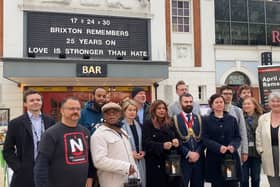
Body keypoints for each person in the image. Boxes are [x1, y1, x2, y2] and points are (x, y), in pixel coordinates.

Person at [34, 97, 92, 187]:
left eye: (78, 109)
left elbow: (89, 159)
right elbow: (41, 166)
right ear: (62, 111)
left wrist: (89, 178)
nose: (75, 111)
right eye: (71, 109)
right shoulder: (51, 134)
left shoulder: (85, 132)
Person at [3, 89, 55, 187]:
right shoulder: (16, 123)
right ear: (25, 104)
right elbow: (7, 150)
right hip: (24, 174)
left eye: (38, 100)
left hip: (47, 172)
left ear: (41, 102)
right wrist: (18, 168)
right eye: (31, 100)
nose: (35, 102)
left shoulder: (50, 121)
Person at [91, 102, 138, 187]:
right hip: (112, 183)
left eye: (115, 112)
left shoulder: (123, 132)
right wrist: (126, 167)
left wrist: (137, 176)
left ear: (120, 114)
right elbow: (99, 161)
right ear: (103, 116)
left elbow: (129, 157)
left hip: (129, 181)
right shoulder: (98, 134)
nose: (111, 115)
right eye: (108, 113)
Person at [203, 93, 242, 187]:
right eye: (216, 102)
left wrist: (233, 146)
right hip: (214, 158)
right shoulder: (206, 120)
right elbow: (205, 138)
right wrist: (218, 147)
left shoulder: (232, 119)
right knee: (217, 183)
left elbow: (237, 137)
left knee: (233, 183)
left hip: (231, 157)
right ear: (212, 105)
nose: (219, 104)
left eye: (221, 102)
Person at [143, 100, 182, 187]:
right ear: (154, 110)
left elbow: (179, 139)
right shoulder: (148, 123)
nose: (162, 110)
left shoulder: (170, 122)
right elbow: (146, 143)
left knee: (174, 184)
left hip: (172, 160)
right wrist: (162, 146)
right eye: (159, 108)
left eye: (164, 108)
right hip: (156, 161)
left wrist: (177, 142)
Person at [173, 93, 204, 187]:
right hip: (183, 160)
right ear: (180, 103)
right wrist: (188, 153)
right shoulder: (174, 120)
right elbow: (176, 141)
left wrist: (197, 153)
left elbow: (203, 139)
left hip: (199, 160)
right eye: (186, 102)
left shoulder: (200, 118)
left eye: (190, 101)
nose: (189, 104)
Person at [256, 92, 280, 187]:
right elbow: (258, 135)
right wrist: (261, 150)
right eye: (273, 101)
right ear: (269, 103)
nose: (276, 103)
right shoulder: (263, 118)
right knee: (273, 181)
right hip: (269, 153)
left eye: (278, 101)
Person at [220, 85, 248, 163]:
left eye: (230, 94)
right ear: (221, 95)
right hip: (219, 150)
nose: (228, 96)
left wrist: (244, 151)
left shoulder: (238, 111)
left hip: (235, 148)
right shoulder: (213, 110)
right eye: (225, 94)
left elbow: (242, 131)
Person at [122, 99, 146, 187]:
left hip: (140, 160)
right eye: (129, 110)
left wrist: (144, 151)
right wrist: (130, 153)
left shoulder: (139, 125)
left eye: (134, 110)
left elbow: (144, 142)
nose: (132, 112)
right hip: (127, 161)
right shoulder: (120, 126)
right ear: (124, 111)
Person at [241, 97, 263, 187]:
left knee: (256, 177)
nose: (246, 106)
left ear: (254, 105)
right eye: (245, 104)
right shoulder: (241, 117)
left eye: (248, 104)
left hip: (256, 152)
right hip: (244, 151)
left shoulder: (261, 118)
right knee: (243, 178)